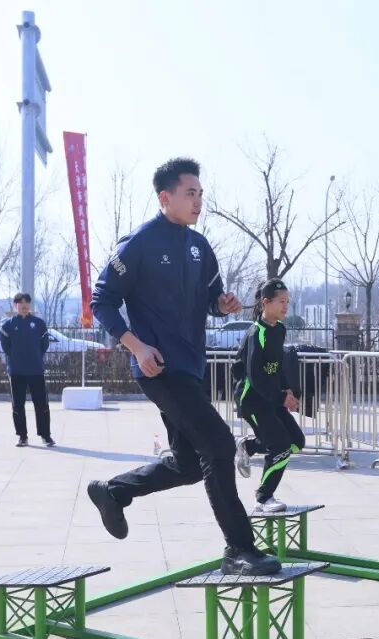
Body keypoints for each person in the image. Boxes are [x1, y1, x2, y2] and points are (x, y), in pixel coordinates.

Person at [88, 157, 281, 576]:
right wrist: (136, 347)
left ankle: (113, 492)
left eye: (200, 194)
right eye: (190, 193)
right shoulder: (139, 243)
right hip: (158, 369)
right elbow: (101, 300)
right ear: (166, 197)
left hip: (191, 368)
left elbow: (212, 299)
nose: (198, 201)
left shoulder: (199, 247)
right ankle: (239, 549)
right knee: (219, 445)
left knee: (191, 464)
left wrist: (222, 305)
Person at [233, 279, 304, 513]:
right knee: (280, 446)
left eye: (288, 302)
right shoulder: (257, 334)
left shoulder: (279, 330)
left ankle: (248, 446)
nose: (286, 306)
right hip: (252, 400)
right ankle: (263, 498)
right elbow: (255, 376)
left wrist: (287, 390)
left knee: (296, 442)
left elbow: (277, 367)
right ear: (266, 302)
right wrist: (281, 398)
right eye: (281, 301)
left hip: (271, 398)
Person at [0, 292, 55, 448]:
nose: (24, 306)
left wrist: (35, 356)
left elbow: (44, 344)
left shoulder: (39, 323)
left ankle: (45, 435)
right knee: (18, 405)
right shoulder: (8, 326)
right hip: (17, 371)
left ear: (30, 305)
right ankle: (22, 436)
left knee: (42, 404)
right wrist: (16, 356)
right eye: (20, 303)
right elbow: (6, 346)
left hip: (36, 370)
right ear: (15, 305)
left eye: (26, 303)